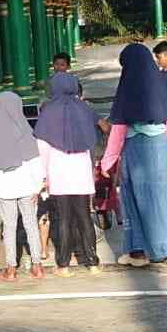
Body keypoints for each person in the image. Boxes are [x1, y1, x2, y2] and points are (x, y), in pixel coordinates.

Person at [101, 43, 167, 268]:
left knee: (135, 201)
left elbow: (118, 131)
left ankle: (138, 254)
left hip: (134, 153)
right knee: (166, 199)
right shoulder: (159, 87)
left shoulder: (125, 92)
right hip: (160, 151)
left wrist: (108, 161)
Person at [34, 71, 102, 277]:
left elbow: (42, 146)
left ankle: (63, 265)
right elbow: (93, 140)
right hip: (81, 169)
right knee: (84, 216)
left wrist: (43, 176)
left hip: (58, 170)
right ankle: (92, 262)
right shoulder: (84, 108)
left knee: (63, 218)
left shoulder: (48, 111)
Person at [0, 91, 46, 282]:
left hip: (4, 189)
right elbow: (36, 162)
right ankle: (37, 266)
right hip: (28, 187)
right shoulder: (26, 132)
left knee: (9, 227)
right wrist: (38, 187)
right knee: (31, 224)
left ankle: (11, 269)